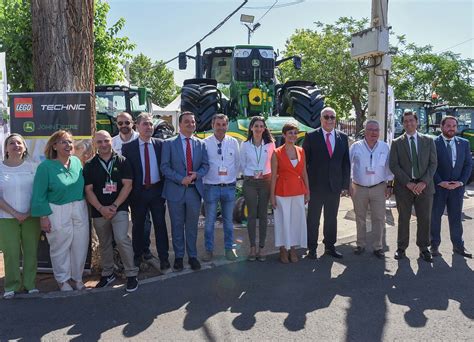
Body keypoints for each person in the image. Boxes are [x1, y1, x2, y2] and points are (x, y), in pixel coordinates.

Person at [31, 130, 90, 291]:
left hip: (79, 207)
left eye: (70, 142)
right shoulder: (45, 167)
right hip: (57, 210)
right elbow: (39, 194)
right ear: (54, 146)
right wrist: (43, 216)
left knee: (80, 245)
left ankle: (77, 278)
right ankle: (63, 280)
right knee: (60, 247)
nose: (68, 145)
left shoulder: (77, 162)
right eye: (63, 142)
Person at [84, 131, 139, 292]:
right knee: (104, 243)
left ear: (111, 141)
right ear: (95, 144)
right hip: (98, 210)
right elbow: (88, 190)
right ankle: (108, 273)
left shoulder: (122, 161)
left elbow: (128, 185)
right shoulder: (90, 164)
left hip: (119, 208)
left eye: (106, 141)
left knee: (122, 239)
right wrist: (101, 208)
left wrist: (114, 206)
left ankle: (131, 274)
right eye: (99, 142)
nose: (103, 144)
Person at [161, 111, 209, 271]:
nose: (190, 124)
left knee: (192, 226)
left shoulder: (200, 144)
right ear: (180, 124)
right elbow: (164, 167)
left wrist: (197, 174)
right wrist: (180, 179)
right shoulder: (168, 143)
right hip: (175, 191)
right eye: (187, 122)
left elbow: (205, 165)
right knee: (176, 225)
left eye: (193, 122)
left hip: (194, 191)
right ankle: (179, 257)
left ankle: (193, 256)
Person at [122, 113, 170, 270]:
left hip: (157, 192)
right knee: (138, 226)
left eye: (150, 124)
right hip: (138, 193)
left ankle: (164, 257)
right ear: (137, 126)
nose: (148, 127)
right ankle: (138, 256)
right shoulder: (128, 148)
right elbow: (127, 173)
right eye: (145, 124)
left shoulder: (161, 145)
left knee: (160, 226)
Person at [389, 110, 437, 262]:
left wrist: (423, 182)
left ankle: (424, 248)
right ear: (402, 124)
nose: (409, 123)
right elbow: (394, 165)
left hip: (425, 187)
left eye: (411, 120)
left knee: (425, 218)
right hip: (404, 187)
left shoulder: (429, 141)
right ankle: (401, 247)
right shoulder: (397, 142)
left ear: (417, 122)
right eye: (405, 121)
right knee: (403, 218)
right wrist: (408, 183)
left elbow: (433, 163)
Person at [303, 107, 350, 259]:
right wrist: (306, 186)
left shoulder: (342, 137)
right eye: (326, 117)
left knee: (331, 218)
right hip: (315, 186)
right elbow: (305, 163)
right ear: (321, 119)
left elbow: (345, 163)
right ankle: (312, 248)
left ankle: (330, 246)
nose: (329, 120)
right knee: (313, 219)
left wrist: (345, 185)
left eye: (332, 117)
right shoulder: (311, 136)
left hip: (334, 187)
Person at [0, 134, 41, 299]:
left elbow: (38, 193)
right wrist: (16, 213)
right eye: (11, 143)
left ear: (24, 147)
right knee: (11, 252)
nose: (15, 145)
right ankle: (12, 286)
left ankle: (30, 284)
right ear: (6, 148)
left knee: (31, 251)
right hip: (6, 217)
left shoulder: (34, 167)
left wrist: (28, 212)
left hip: (31, 217)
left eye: (19, 143)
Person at [111, 112, 153, 262]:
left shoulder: (140, 138)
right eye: (120, 123)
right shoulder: (112, 142)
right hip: (119, 188)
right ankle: (120, 250)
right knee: (120, 219)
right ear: (117, 125)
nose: (124, 126)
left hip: (139, 188)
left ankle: (144, 249)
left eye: (127, 123)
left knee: (143, 221)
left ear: (133, 124)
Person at [349, 120, 394, 259]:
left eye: (376, 130)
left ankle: (377, 246)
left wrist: (390, 185)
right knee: (360, 217)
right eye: (370, 129)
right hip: (359, 188)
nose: (373, 133)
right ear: (365, 131)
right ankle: (360, 244)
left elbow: (389, 168)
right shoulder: (356, 146)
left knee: (379, 218)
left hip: (379, 187)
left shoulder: (385, 147)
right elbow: (348, 166)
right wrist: (349, 184)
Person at [430, 116, 472, 258]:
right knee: (435, 217)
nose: (451, 128)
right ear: (442, 127)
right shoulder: (433, 143)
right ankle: (434, 246)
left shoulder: (464, 143)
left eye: (454, 125)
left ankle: (458, 246)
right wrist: (440, 181)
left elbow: (468, 165)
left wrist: (461, 182)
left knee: (455, 218)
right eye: (448, 125)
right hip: (439, 187)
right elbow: (431, 165)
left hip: (457, 188)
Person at [202, 114, 240, 262]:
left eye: (223, 124)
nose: (221, 127)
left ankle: (229, 249)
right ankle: (208, 250)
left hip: (229, 187)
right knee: (209, 222)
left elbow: (237, 163)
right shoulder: (204, 143)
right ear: (213, 125)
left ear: (227, 126)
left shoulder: (233, 142)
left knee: (229, 223)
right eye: (218, 124)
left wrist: (230, 178)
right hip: (211, 187)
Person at [270, 123, 310, 264]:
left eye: (295, 133)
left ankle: (292, 248)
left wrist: (307, 191)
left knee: (295, 221)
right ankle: (282, 248)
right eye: (290, 133)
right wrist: (272, 196)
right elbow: (273, 175)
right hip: (282, 191)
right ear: (284, 135)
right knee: (283, 220)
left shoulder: (301, 151)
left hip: (298, 190)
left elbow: (304, 172)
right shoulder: (277, 152)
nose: (293, 136)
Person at [240, 116, 275, 261]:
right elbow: (242, 164)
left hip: (265, 182)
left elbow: (273, 165)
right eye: (256, 126)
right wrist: (250, 174)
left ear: (264, 128)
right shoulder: (245, 144)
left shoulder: (270, 145)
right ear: (251, 128)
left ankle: (262, 248)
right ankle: (252, 248)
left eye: (261, 126)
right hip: (250, 183)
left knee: (263, 215)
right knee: (252, 216)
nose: (259, 129)